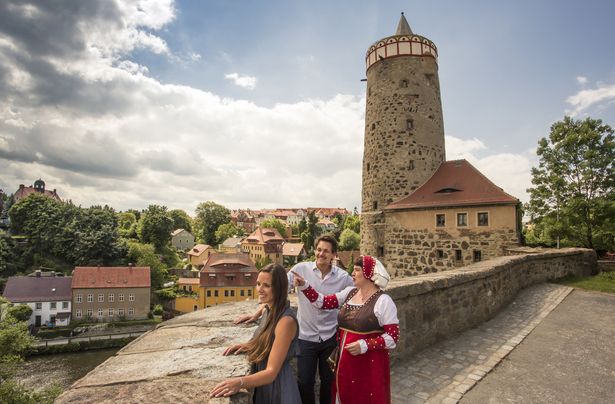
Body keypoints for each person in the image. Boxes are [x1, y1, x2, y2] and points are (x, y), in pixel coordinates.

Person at [293, 255, 399, 404]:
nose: (352, 274)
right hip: (345, 362)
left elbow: (393, 337)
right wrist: (305, 286)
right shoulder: (350, 292)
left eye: (356, 270)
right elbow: (322, 302)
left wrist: (365, 345)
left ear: (369, 274)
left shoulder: (384, 301)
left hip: (368, 364)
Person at [210, 264, 301, 403]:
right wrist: (251, 346)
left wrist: (238, 382)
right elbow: (269, 341)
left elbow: (271, 372)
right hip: (264, 385)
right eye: (258, 284)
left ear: (279, 288)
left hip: (278, 389)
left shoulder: (286, 322)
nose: (260, 289)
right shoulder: (269, 310)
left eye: (266, 285)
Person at [287, 235, 354, 404]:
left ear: (334, 255)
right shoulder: (300, 269)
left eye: (326, 251)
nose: (321, 254)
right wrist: (260, 309)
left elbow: (357, 294)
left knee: (328, 381)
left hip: (330, 338)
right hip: (305, 338)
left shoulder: (344, 277)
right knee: (305, 382)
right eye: (318, 249)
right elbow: (280, 288)